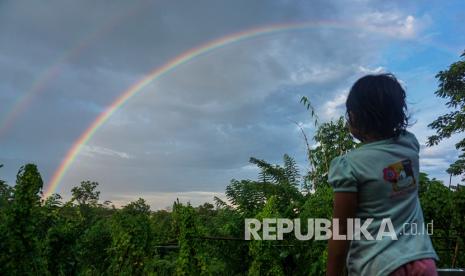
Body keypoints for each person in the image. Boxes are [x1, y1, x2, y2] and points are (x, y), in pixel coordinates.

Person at [326, 74, 438, 276]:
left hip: (377, 266)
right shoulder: (409, 145)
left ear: (354, 117)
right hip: (422, 262)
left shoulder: (348, 166)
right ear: (398, 114)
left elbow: (342, 229)